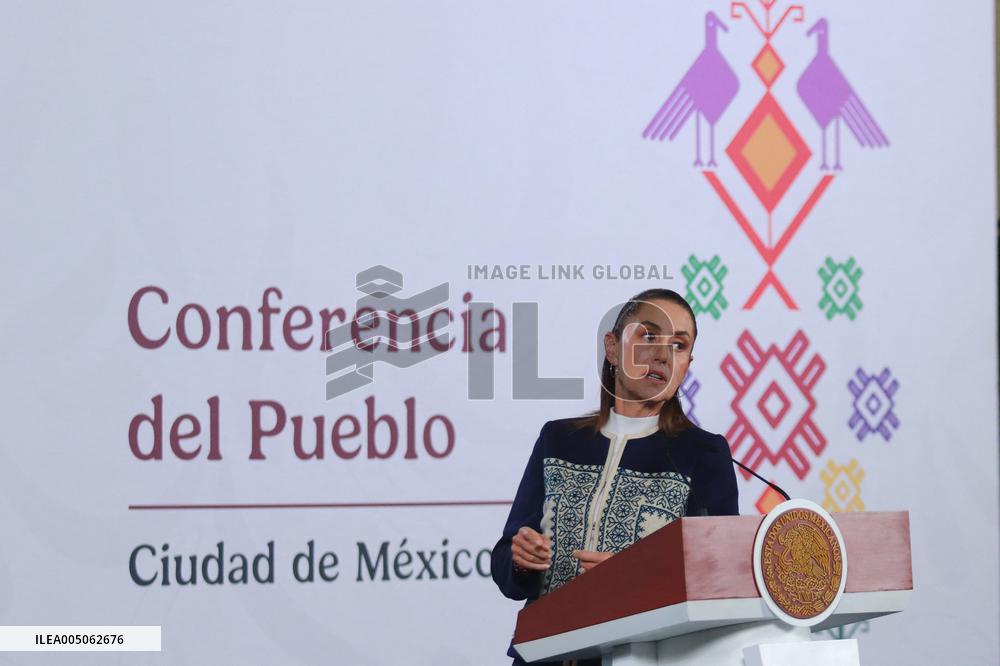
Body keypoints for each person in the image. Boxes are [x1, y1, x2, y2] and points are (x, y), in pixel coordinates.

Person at [490, 288, 739, 666]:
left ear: (687, 364)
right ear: (612, 347)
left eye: (679, 345)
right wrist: (520, 558)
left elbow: (717, 578)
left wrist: (634, 578)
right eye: (648, 335)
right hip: (542, 656)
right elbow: (505, 559)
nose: (661, 354)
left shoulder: (702, 454)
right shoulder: (559, 440)